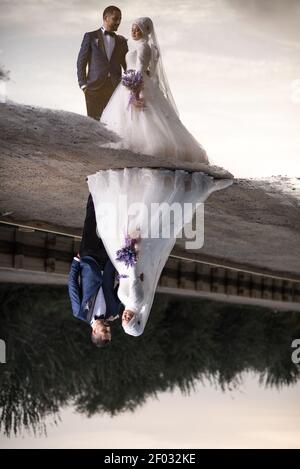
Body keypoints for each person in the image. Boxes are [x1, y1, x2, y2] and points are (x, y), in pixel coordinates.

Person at [87, 167, 233, 337]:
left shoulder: (127, 303)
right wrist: (130, 255)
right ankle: (189, 187)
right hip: (132, 260)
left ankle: (184, 188)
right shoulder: (136, 301)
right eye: (130, 320)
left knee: (153, 219)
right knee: (152, 219)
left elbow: (125, 279)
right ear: (136, 319)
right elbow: (133, 277)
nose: (126, 317)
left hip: (128, 262)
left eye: (125, 321)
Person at [100, 16, 208, 163]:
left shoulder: (144, 47)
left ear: (145, 31)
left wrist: (135, 92)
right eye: (133, 28)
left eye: (138, 29)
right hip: (130, 82)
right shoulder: (138, 45)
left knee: (142, 115)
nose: (134, 31)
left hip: (136, 83)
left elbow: (139, 70)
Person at [68, 195, 124, 347]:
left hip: (88, 258)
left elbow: (73, 285)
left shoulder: (79, 312)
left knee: (91, 221)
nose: (108, 328)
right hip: (108, 260)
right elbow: (121, 290)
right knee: (111, 226)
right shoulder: (113, 311)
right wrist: (123, 275)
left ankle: (94, 190)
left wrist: (76, 262)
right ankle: (112, 194)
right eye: (109, 331)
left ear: (95, 332)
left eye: (104, 331)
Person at [77, 5, 128, 120]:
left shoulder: (122, 41)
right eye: (115, 18)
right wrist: (83, 85)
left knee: (114, 123)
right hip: (93, 88)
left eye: (120, 19)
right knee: (94, 123)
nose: (118, 22)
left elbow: (127, 65)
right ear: (106, 18)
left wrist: (137, 78)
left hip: (115, 89)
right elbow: (81, 62)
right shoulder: (90, 37)